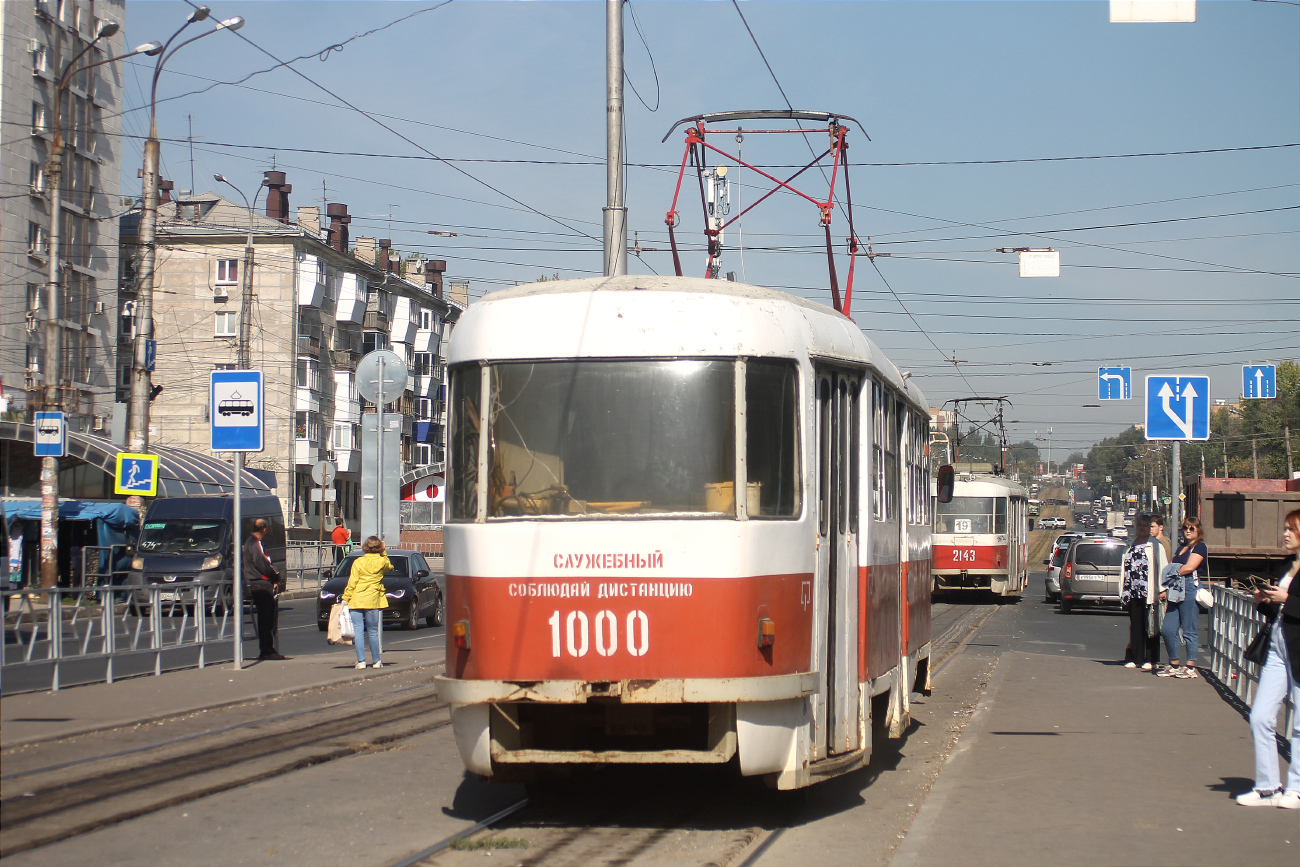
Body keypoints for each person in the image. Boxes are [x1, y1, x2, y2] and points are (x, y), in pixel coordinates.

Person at [1236, 508, 1300, 809]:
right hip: (1278, 644)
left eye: (1291, 529)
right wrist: (1265, 601)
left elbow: (1291, 603)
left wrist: (1287, 600)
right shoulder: (1287, 565)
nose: (1285, 534)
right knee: (1260, 716)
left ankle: (1296, 788)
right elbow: (1281, 608)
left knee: (1299, 724)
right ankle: (1267, 787)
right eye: (1285, 528)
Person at [1159, 517, 1207, 678]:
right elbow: (1174, 565)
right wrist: (1167, 584)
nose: (1188, 531)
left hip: (1190, 588)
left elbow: (1189, 567)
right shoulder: (1181, 548)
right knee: (1168, 629)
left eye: (1192, 528)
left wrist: (1171, 572)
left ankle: (1190, 667)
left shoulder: (1200, 547)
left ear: (1198, 530)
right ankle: (1174, 664)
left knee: (1189, 630)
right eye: (1185, 528)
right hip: (1175, 588)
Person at [1121, 514, 1167, 671]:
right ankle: (1136, 658)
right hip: (1132, 592)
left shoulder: (1155, 545)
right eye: (1140, 525)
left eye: (1146, 525)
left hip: (1150, 592)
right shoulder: (1130, 544)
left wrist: (1163, 589)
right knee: (1136, 626)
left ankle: (1151, 659)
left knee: (1151, 626)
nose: (1142, 528)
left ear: (1150, 528)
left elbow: (1163, 567)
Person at [342, 536, 393, 669]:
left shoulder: (358, 562)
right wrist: (384, 551)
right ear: (379, 547)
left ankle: (361, 661)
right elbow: (389, 566)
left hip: (356, 598)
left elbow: (352, 582)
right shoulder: (382, 562)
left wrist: (345, 597)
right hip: (372, 599)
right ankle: (376, 661)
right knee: (373, 631)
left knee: (358, 631)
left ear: (365, 547)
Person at [242, 518, 286, 661]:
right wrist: (275, 576)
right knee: (266, 618)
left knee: (265, 617)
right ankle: (267, 650)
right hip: (260, 583)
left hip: (258, 582)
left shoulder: (251, 542)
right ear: (264, 530)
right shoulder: (255, 544)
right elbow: (263, 563)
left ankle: (267, 648)